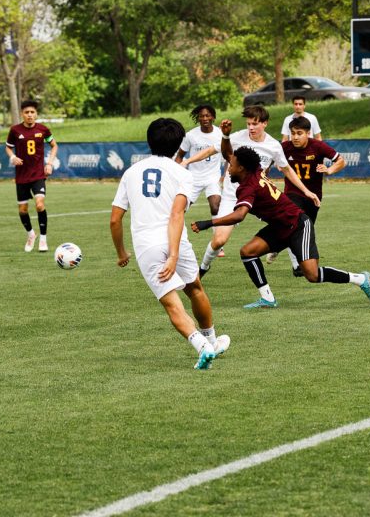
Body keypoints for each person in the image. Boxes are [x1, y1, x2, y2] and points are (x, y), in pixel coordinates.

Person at [191, 146, 370, 309]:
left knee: (311, 275)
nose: (228, 169)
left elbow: (240, 215)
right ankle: (267, 298)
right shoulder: (255, 169)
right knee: (247, 252)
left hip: (298, 224)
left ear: (242, 168)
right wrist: (226, 137)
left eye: (231, 165)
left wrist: (208, 223)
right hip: (279, 227)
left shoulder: (248, 187)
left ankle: (360, 279)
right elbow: (233, 155)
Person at [112, 117, 230, 370]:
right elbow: (177, 215)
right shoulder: (181, 173)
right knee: (195, 288)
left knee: (170, 301)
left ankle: (203, 346)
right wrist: (175, 254)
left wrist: (121, 252)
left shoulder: (130, 173)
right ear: (179, 145)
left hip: (147, 246)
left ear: (149, 141)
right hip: (178, 242)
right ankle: (210, 338)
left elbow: (115, 219)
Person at [197, 105, 321, 276]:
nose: (250, 128)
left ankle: (296, 265)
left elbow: (286, 169)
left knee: (288, 223)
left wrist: (306, 191)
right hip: (233, 197)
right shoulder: (237, 137)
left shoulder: (273, 146)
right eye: (248, 124)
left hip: (259, 199)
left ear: (265, 123)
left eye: (255, 124)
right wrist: (186, 162)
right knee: (219, 241)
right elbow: (215, 150)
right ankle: (202, 269)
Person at [278, 115, 346, 274]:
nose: (295, 137)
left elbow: (341, 161)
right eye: (292, 133)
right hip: (293, 193)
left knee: (304, 230)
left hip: (314, 196)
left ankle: (278, 246)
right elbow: (268, 161)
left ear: (308, 133)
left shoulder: (318, 146)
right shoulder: (284, 147)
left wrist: (329, 170)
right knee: (295, 224)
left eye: (299, 133)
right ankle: (297, 265)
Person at [5, 99, 58, 252]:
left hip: (37, 175)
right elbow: (8, 148)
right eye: (26, 112)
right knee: (22, 210)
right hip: (21, 176)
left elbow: (54, 145)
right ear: (22, 114)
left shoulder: (43, 130)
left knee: (40, 205)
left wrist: (49, 163)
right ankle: (31, 235)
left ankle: (43, 239)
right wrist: (12, 157)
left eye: (32, 112)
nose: (29, 115)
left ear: (36, 114)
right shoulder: (15, 130)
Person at [175, 104, 224, 217]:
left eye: (207, 115)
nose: (205, 118)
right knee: (180, 210)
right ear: (198, 118)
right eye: (201, 116)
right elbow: (180, 156)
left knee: (215, 208)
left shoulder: (220, 134)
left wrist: (225, 174)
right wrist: (177, 174)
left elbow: (228, 156)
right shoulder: (190, 135)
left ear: (213, 117)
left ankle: (218, 234)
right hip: (194, 178)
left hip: (213, 177)